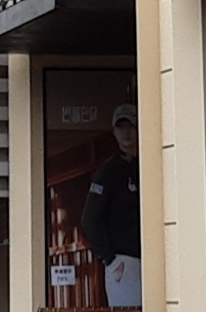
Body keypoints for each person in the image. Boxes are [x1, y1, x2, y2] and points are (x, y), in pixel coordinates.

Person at [82, 103, 142, 308]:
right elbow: (89, 219)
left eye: (131, 126)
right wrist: (110, 259)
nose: (126, 132)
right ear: (114, 132)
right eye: (120, 127)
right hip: (124, 261)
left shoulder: (150, 164)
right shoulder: (107, 171)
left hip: (153, 258)